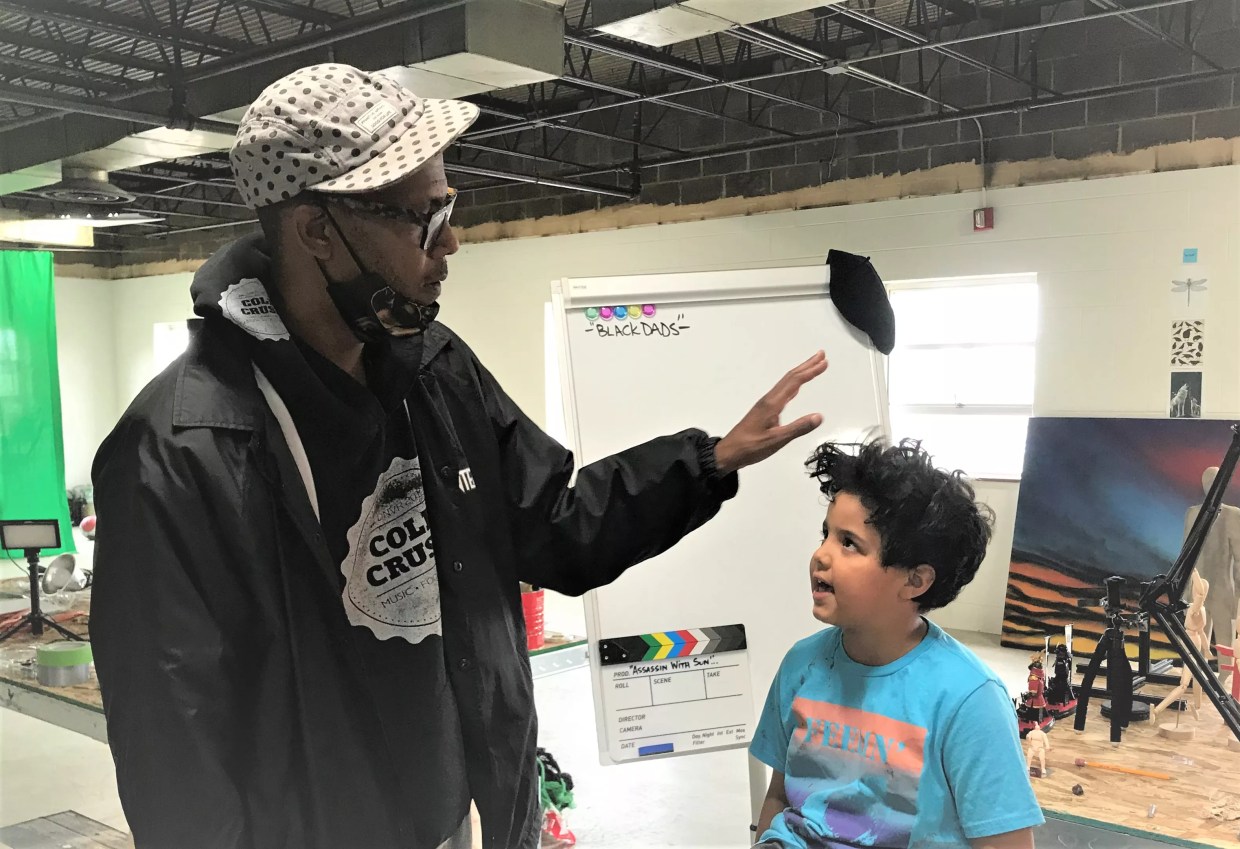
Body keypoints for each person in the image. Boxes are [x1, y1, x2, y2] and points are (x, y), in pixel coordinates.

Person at [89, 64, 828, 849]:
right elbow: (175, 755)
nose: (451, 240)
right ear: (315, 231)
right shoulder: (179, 451)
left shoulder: (435, 372)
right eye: (424, 216)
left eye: (450, 207)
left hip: (463, 819)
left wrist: (707, 462)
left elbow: (554, 523)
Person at [750, 440, 1043, 849]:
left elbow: (1006, 844)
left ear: (915, 581)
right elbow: (780, 797)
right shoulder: (802, 663)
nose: (821, 555)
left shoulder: (969, 700)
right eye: (826, 534)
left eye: (849, 543)